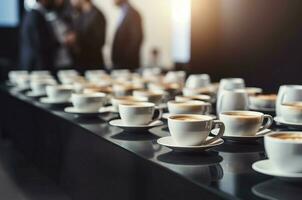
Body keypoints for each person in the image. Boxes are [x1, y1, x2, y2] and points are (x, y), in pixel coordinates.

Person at [20, 0, 59, 70]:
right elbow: (39, 42)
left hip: (35, 63)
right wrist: (59, 43)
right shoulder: (35, 15)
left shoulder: (35, 14)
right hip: (36, 65)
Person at [67, 0, 106, 70]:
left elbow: (99, 42)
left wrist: (77, 38)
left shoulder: (97, 15)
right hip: (81, 64)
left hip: (93, 66)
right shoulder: (80, 14)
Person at [111, 0, 143, 70]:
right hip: (120, 64)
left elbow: (136, 39)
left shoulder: (133, 14)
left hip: (127, 65)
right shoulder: (124, 12)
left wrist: (124, 61)